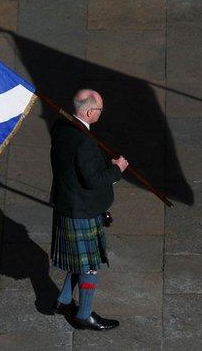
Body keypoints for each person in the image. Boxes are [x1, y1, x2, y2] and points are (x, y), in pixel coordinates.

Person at [50, 89, 128, 330]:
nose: (101, 114)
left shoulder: (61, 127)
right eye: (100, 110)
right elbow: (93, 179)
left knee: (79, 261)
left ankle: (63, 302)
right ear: (90, 111)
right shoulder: (84, 141)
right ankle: (83, 316)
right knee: (89, 266)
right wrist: (117, 170)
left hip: (68, 203)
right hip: (81, 209)